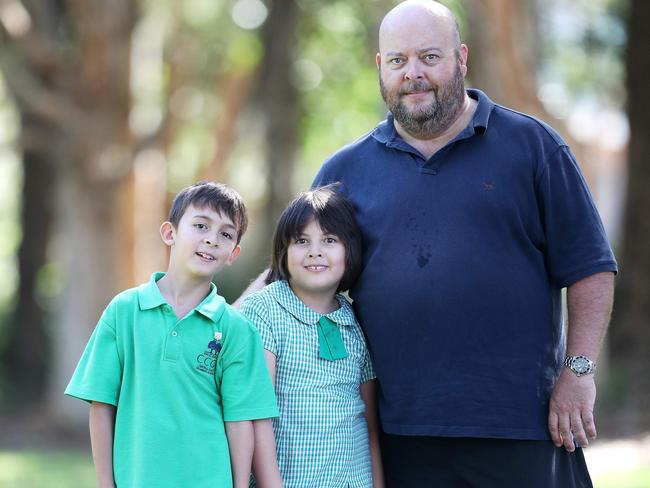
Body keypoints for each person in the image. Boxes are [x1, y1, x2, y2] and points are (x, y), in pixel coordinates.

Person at [309, 1, 618, 487]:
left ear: (461, 58)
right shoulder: (343, 174)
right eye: (397, 60)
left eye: (429, 57)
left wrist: (578, 372)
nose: (413, 74)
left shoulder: (534, 146)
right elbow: (296, 278)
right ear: (380, 68)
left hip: (523, 426)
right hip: (397, 433)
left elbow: (590, 267)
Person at [65, 181, 279, 488]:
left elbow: (239, 420)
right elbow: (101, 406)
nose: (212, 240)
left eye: (226, 234)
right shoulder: (124, 311)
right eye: (201, 225)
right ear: (170, 233)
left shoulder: (235, 327)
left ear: (233, 253)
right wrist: (105, 483)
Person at [241, 184, 385, 487]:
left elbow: (370, 425)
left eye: (329, 240)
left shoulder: (354, 318)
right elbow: (256, 415)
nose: (315, 251)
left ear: (350, 250)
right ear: (283, 252)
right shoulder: (265, 310)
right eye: (301, 241)